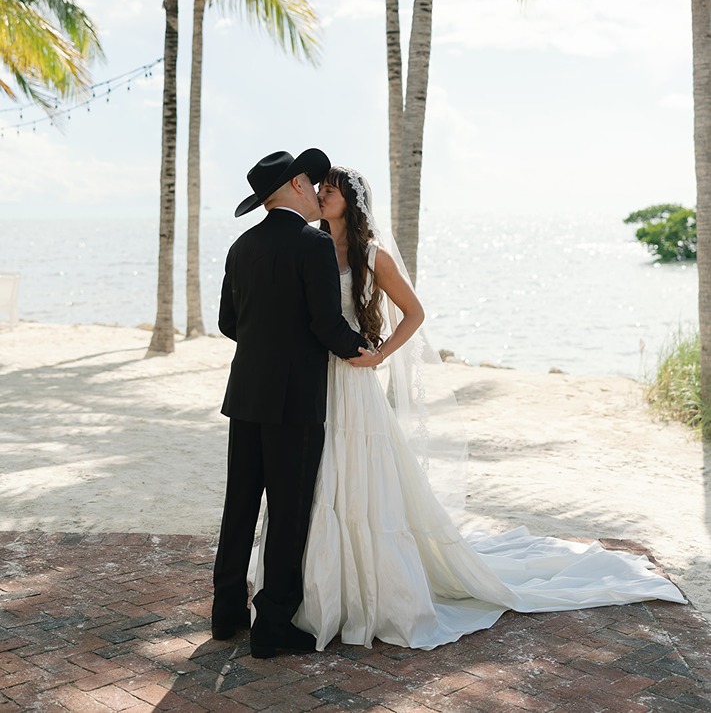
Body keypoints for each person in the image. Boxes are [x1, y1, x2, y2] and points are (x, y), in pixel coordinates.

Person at [253, 165, 686, 651]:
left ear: (349, 202)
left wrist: (379, 354)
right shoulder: (307, 247)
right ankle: (306, 594)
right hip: (312, 381)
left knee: (353, 481)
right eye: (320, 191)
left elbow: (414, 313)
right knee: (307, 485)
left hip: (352, 382)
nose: (320, 196)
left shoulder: (372, 255)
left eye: (328, 191)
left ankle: (361, 596)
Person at [212, 149, 375, 659]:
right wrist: (360, 351)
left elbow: (227, 323)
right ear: (297, 188)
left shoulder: (241, 246)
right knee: (287, 512)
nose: (313, 189)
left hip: (245, 396)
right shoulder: (313, 246)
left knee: (239, 505)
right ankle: (273, 624)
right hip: (296, 401)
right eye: (308, 181)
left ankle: (226, 613)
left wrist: (266, 345)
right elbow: (327, 324)